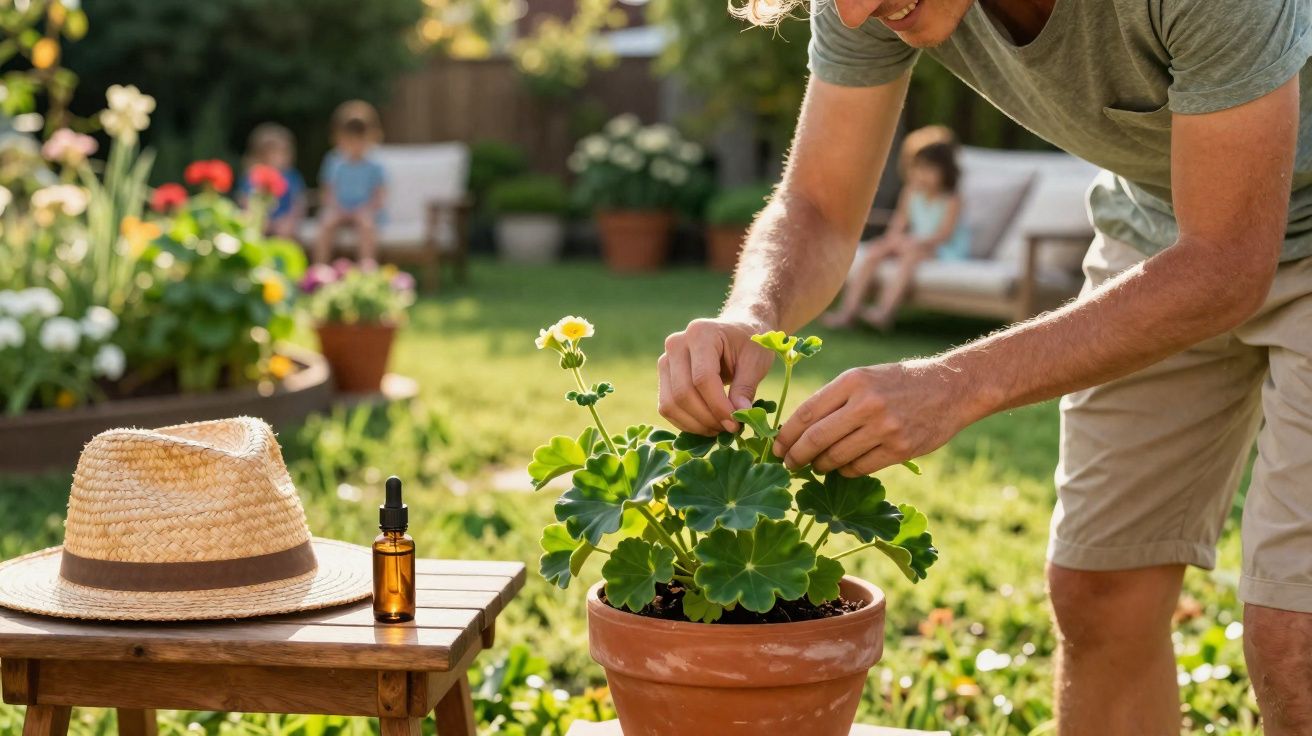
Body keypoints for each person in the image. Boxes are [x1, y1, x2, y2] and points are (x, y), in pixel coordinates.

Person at [658, 0, 1312, 733]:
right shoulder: (862, 1)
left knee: (1296, 638)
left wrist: (958, 382)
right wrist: (754, 311)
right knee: (1101, 592)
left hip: (1225, 249)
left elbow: (1227, 264)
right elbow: (818, 203)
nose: (853, 11)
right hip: (1164, 232)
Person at [823, 126, 968, 330]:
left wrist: (913, 242)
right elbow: (898, 224)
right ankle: (848, 311)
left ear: (946, 171)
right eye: (916, 168)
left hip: (943, 249)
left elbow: (944, 234)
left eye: (928, 169)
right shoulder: (910, 193)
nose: (921, 175)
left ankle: (884, 311)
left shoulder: (951, 198)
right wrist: (892, 241)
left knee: (911, 256)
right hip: (913, 242)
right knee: (875, 252)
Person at [314, 100, 387, 265]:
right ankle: (320, 269)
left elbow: (380, 195)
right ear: (339, 138)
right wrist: (336, 208)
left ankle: (366, 268)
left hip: (365, 211)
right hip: (338, 209)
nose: (355, 145)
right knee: (326, 223)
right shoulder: (334, 161)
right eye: (350, 139)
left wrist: (365, 209)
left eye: (360, 139)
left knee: (367, 225)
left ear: (371, 137)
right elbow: (327, 191)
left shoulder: (375, 164)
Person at [238, 123, 307, 240]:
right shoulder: (254, 175)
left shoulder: (292, 176)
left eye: (285, 152)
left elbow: (299, 202)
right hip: (259, 220)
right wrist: (257, 218)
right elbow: (244, 199)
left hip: (284, 222)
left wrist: (290, 220)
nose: (281, 157)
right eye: (275, 153)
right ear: (261, 155)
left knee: (285, 235)